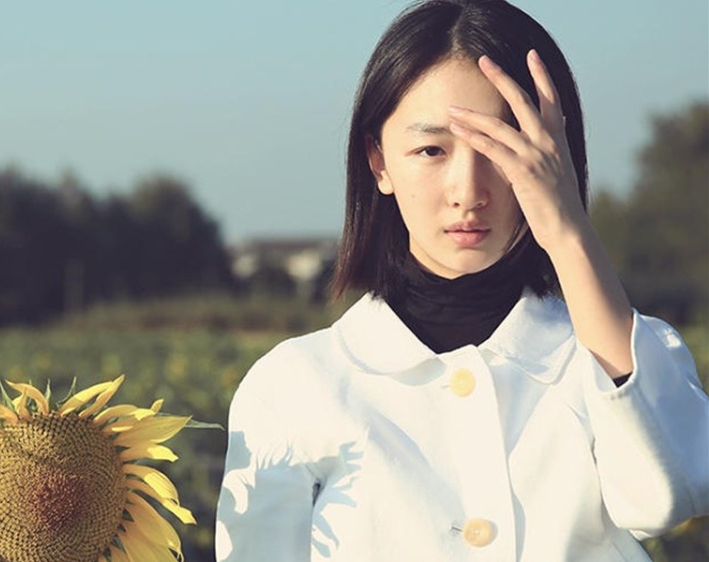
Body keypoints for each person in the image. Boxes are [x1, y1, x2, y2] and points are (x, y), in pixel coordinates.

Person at [215, 1, 709, 560]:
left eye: (503, 149)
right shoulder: (294, 385)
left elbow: (669, 494)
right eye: (431, 150)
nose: (468, 190)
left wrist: (570, 236)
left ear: (556, 157)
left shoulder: (615, 358)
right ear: (379, 163)